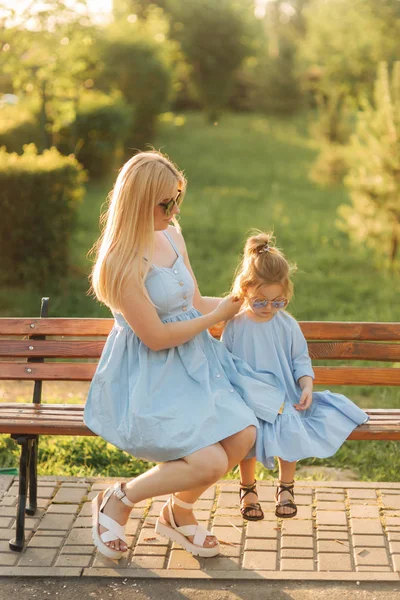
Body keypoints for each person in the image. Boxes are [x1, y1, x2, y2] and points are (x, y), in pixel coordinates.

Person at [83, 152, 284, 560]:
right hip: (152, 376)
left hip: (193, 365)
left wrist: (244, 304)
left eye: (177, 199)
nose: (174, 210)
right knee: (209, 461)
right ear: (138, 201)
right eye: (165, 203)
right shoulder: (120, 262)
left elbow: (192, 302)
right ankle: (118, 499)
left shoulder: (171, 233)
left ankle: (179, 512)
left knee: (243, 434)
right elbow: (156, 337)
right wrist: (215, 316)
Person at [221, 231, 369, 521]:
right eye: (261, 301)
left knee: (288, 425)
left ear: (285, 296)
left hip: (283, 396)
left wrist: (306, 384)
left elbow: (300, 359)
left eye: (278, 302)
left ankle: (286, 486)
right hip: (247, 398)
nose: (269, 309)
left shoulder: (287, 326)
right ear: (245, 290)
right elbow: (226, 363)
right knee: (245, 431)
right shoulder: (236, 325)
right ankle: (247, 488)